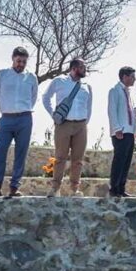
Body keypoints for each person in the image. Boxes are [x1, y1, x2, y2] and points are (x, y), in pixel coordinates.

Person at [0, 47, 38, 197]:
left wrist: (22, 109)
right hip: (6, 118)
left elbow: (33, 97)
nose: (21, 64)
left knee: (21, 153)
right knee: (1, 150)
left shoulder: (31, 77)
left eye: (24, 62)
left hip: (25, 118)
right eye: (18, 61)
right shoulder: (2, 74)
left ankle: (14, 187)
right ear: (12, 58)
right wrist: (9, 107)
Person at [42, 58, 92, 198]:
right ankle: (55, 188)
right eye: (82, 67)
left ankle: (74, 189)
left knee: (78, 159)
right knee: (60, 157)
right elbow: (46, 97)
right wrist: (53, 115)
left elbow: (89, 106)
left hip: (81, 125)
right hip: (63, 124)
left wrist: (85, 122)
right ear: (74, 68)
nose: (85, 69)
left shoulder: (87, 86)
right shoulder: (59, 81)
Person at [108, 66, 136, 198]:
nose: (135, 79)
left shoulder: (128, 93)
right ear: (125, 77)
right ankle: (114, 188)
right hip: (121, 131)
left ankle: (121, 188)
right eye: (132, 76)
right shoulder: (115, 91)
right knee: (119, 160)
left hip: (129, 131)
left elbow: (126, 111)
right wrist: (116, 128)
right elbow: (112, 111)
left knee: (126, 161)